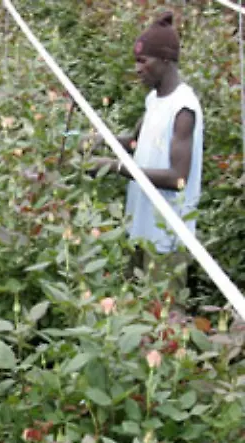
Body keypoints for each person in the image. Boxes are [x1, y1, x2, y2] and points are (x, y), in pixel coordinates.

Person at [89, 11, 203, 293]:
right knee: (133, 305)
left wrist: (115, 166)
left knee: (162, 314)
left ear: (165, 60)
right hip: (140, 227)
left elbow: (178, 178)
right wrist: (99, 141)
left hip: (166, 239)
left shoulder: (183, 109)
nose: (138, 68)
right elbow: (136, 143)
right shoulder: (154, 100)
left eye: (143, 61)